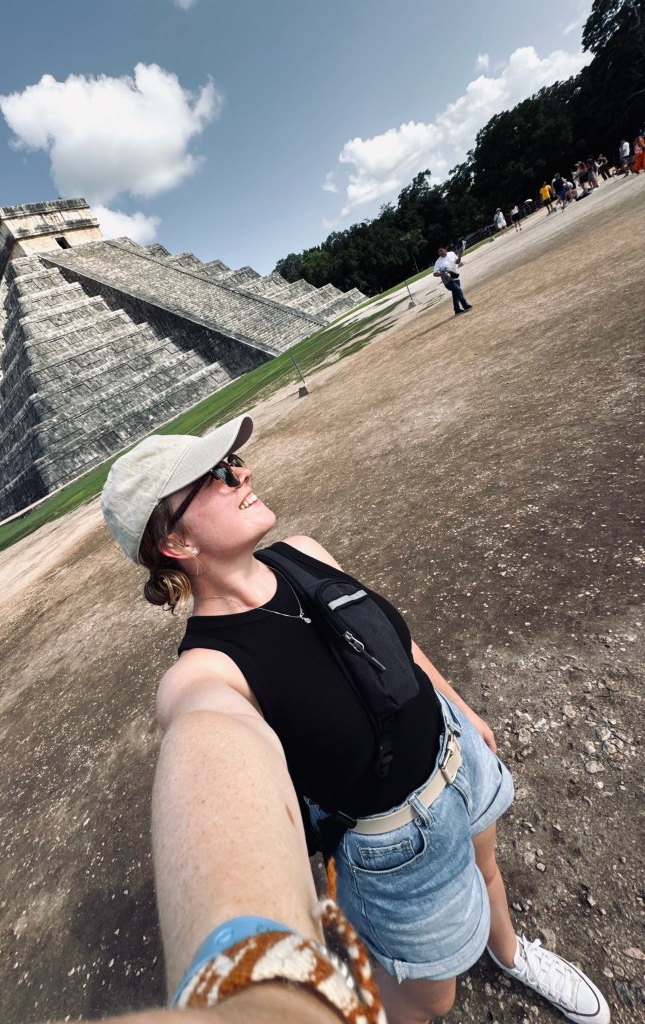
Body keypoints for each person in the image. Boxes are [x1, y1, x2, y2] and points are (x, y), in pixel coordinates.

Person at [99, 415, 611, 1024]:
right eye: (214, 476)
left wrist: (460, 707)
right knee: (429, 998)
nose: (241, 473)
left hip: (457, 754)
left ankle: (511, 954)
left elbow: (387, 643)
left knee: (489, 868)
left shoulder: (303, 554)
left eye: (232, 462)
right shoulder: (205, 670)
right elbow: (208, 749)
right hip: (395, 842)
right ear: (177, 544)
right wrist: (251, 993)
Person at [433, 246, 472, 316]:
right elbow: (435, 274)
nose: (440, 253)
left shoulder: (451, 253)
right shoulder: (438, 262)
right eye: (438, 252)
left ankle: (457, 310)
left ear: (445, 249)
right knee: (459, 290)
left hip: (455, 276)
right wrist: (442, 273)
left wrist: (459, 256)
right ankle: (465, 305)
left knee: (456, 294)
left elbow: (457, 262)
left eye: (441, 250)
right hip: (447, 281)